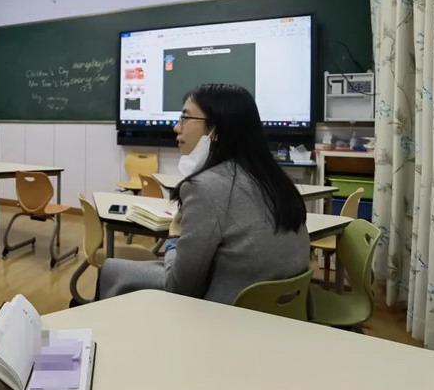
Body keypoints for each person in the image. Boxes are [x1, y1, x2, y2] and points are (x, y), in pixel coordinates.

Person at [99, 83, 310, 304]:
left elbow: (179, 287)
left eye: (185, 118)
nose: (176, 128)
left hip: (227, 312)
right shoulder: (272, 178)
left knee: (112, 270)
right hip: (281, 310)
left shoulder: (205, 187)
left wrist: (174, 238)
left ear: (215, 130)